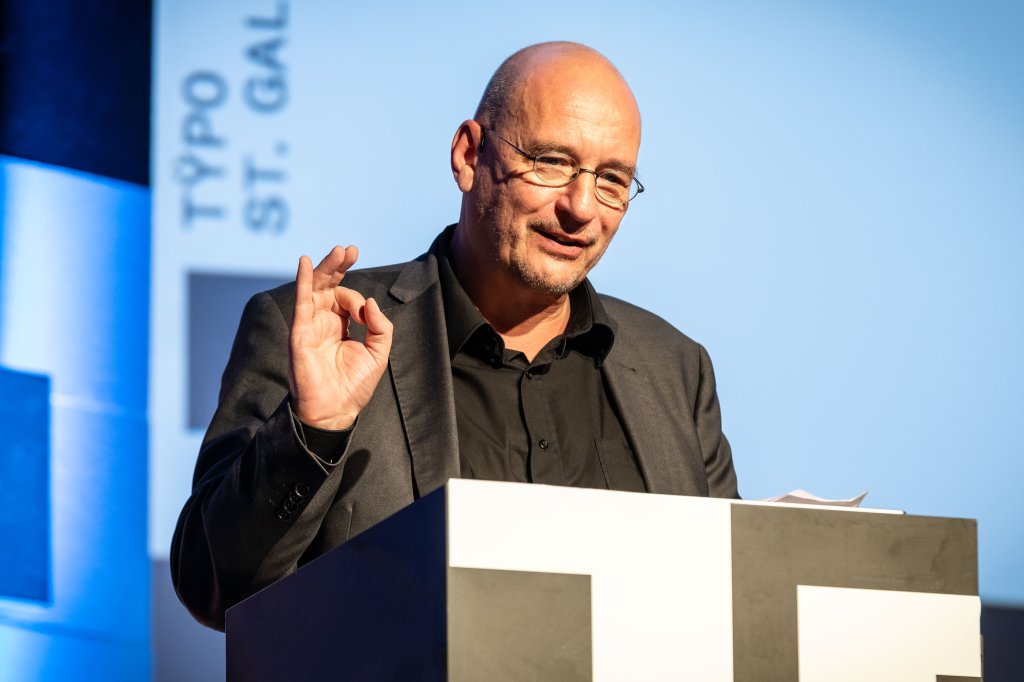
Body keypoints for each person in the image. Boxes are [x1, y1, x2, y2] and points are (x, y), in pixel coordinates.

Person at [171, 41, 739, 631]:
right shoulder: (327, 329)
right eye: (551, 162)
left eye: (612, 181)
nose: (580, 207)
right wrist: (314, 431)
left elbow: (732, 603)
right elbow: (215, 588)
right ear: (469, 155)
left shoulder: (675, 367)